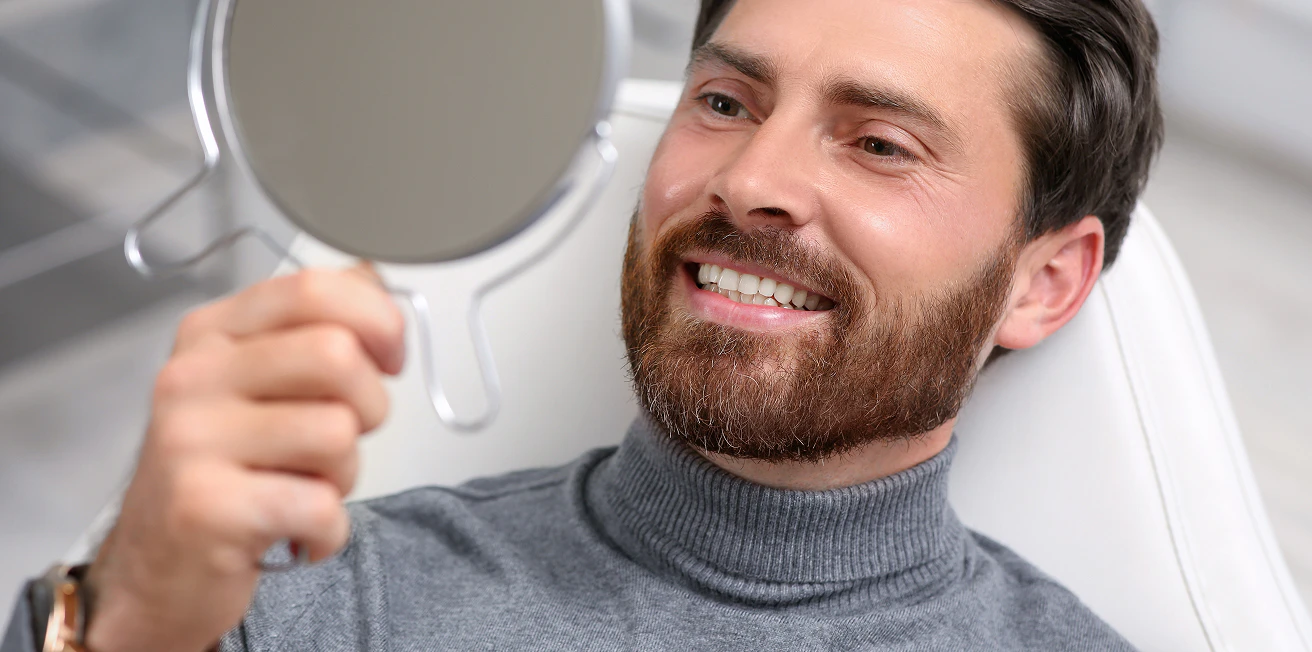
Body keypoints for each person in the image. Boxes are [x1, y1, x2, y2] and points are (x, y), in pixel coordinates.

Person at [4, 0, 1164, 649]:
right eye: (725, 102)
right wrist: (121, 628)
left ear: (1042, 284)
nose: (751, 176)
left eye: (877, 143)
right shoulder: (297, 604)